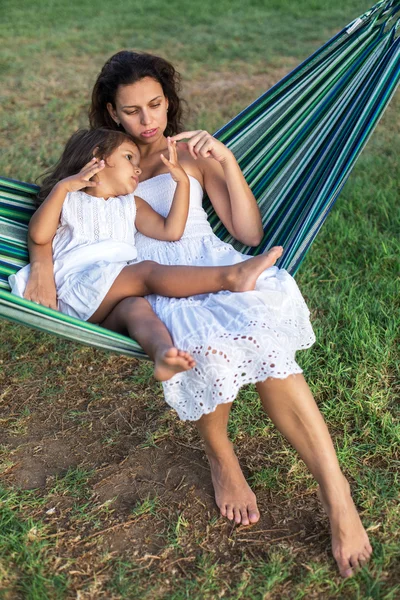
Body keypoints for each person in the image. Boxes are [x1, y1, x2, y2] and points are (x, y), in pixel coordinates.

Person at [24, 51, 372, 578]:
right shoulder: (105, 159)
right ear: (112, 113)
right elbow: (65, 218)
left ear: (170, 98)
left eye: (156, 104)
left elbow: (250, 234)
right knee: (205, 347)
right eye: (133, 110)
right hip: (146, 280)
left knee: (273, 354)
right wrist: (44, 263)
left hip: (209, 263)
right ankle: (220, 454)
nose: (148, 120)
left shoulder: (190, 151)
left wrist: (225, 161)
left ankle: (337, 494)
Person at [9, 127, 283, 381]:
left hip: (112, 296)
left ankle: (163, 355)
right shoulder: (69, 200)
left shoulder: (132, 205)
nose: (137, 169)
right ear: (98, 159)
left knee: (138, 311)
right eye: (129, 157)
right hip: (78, 289)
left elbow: (171, 231)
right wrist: (63, 188)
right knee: (146, 272)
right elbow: (39, 235)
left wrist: (182, 183)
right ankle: (231, 277)